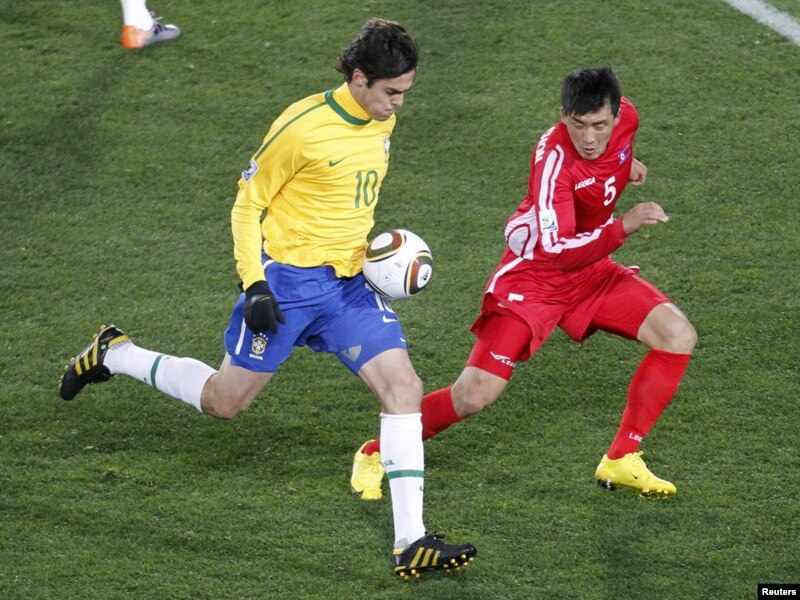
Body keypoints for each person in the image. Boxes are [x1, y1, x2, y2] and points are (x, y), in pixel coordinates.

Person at [59, 18, 476, 579]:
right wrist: (253, 283)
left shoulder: (382, 119)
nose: (399, 103)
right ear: (359, 78)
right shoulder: (301, 128)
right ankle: (116, 353)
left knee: (404, 389)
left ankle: (411, 541)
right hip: (287, 288)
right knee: (224, 402)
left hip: (349, 287)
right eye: (391, 92)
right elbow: (247, 205)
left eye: (405, 91)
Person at [351, 66, 697, 501]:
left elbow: (613, 153)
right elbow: (558, 250)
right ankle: (376, 451)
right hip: (536, 279)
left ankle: (621, 458)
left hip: (590, 271)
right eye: (578, 125)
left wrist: (624, 165)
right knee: (474, 395)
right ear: (563, 116)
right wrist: (622, 226)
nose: (589, 138)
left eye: (600, 126)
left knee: (677, 335)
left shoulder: (627, 118)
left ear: (616, 115)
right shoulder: (553, 162)